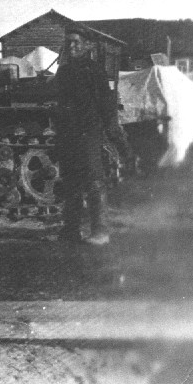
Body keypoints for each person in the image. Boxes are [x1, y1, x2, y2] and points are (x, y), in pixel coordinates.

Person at [54, 28, 125, 245]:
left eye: (76, 42)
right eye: (69, 43)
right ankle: (71, 230)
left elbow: (106, 103)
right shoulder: (64, 71)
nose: (72, 46)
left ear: (87, 45)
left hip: (89, 132)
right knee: (71, 183)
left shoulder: (94, 70)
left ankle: (100, 231)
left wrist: (112, 131)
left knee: (94, 180)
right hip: (69, 134)